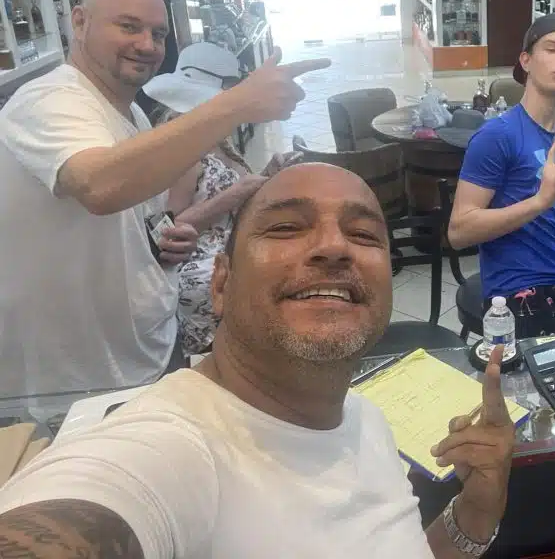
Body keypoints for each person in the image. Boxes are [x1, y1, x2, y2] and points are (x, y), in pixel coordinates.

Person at [0, 163, 514, 557]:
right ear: (221, 284)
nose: (334, 247)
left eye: (362, 235)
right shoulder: (169, 449)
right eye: (287, 227)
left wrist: (475, 510)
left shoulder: (367, 419)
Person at [0, 0, 329, 397]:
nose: (147, 45)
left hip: (144, 346)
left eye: (158, 34)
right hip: (78, 378)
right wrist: (238, 103)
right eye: (128, 26)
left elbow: (132, 215)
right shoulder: (49, 99)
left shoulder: (131, 115)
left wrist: (166, 237)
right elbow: (99, 185)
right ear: (79, 22)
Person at [448, 12, 555, 337]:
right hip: (517, 299)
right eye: (552, 48)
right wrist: (539, 202)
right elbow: (459, 231)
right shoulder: (497, 136)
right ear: (526, 60)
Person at [144, 41, 300, 357]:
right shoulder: (183, 145)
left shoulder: (215, 133)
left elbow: (226, 187)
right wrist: (234, 195)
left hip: (229, 255)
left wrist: (267, 174)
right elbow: (167, 231)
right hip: (203, 275)